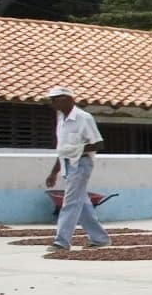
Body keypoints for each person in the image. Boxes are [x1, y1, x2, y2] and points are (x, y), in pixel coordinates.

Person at [42, 86, 110, 252]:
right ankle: (100, 239)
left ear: (68, 99)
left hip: (81, 163)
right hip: (67, 164)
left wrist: (77, 150)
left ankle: (62, 241)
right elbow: (62, 150)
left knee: (70, 202)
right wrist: (54, 172)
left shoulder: (83, 118)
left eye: (55, 99)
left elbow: (99, 143)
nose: (52, 103)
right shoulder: (61, 120)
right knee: (83, 204)